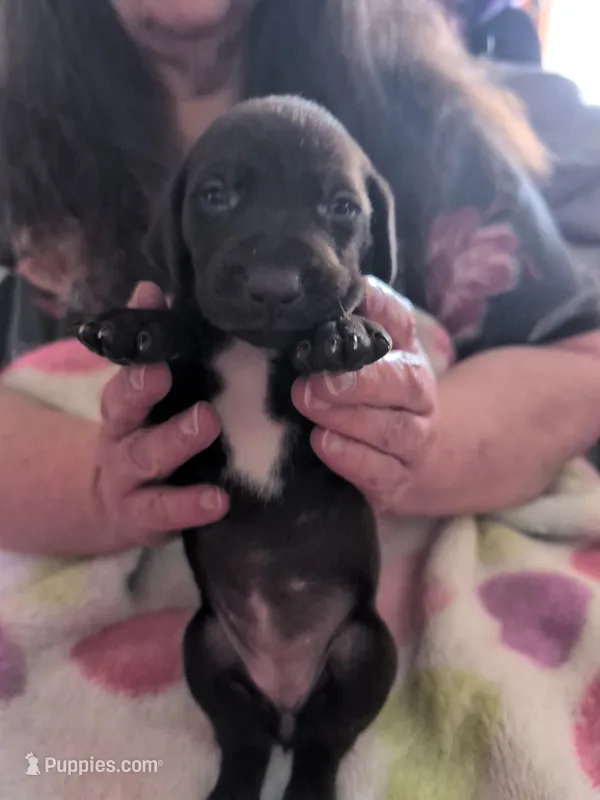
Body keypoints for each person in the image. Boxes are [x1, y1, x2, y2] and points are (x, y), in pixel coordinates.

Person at [1, 0, 600, 605]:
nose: (274, 279)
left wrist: (408, 446)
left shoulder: (417, 110)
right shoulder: (15, 124)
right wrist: (95, 488)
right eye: (216, 197)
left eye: (338, 207)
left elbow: (582, 360)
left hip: (360, 570)